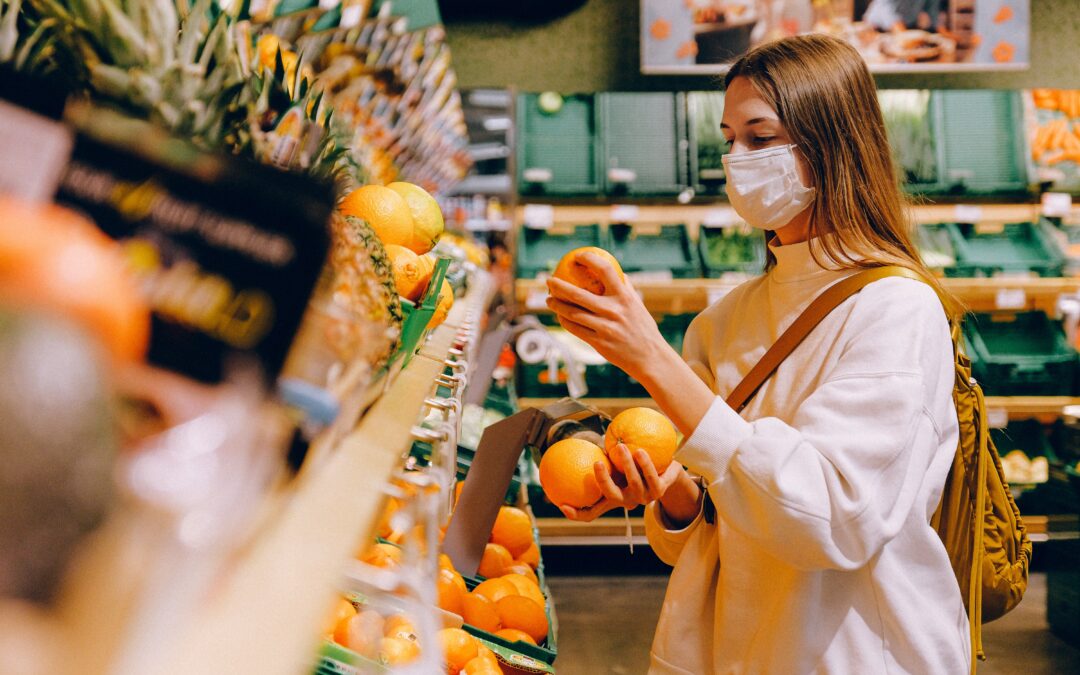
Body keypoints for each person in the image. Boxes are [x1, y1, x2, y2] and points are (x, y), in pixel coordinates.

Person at [545, 34, 969, 674]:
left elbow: (833, 520)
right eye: (729, 139)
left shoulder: (896, 310)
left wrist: (651, 361)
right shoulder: (726, 319)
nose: (736, 159)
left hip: (855, 654)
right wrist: (667, 492)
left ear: (832, 143)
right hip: (738, 647)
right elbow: (716, 514)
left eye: (761, 138)